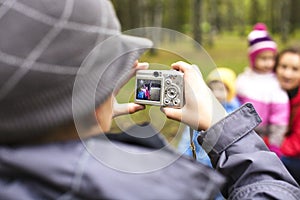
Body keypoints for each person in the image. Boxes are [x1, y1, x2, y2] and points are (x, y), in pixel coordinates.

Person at [0, 1, 299, 200]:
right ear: (97, 100)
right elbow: (276, 192)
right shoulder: (167, 192)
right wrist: (224, 128)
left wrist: (86, 119)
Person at [236, 23, 290, 156]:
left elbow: (279, 117)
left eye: (272, 58)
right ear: (253, 59)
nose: (269, 63)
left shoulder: (275, 84)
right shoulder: (244, 79)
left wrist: (274, 144)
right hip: (241, 133)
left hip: (264, 137)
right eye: (263, 58)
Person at [178, 67, 240, 166]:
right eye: (212, 89)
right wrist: (183, 161)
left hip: (222, 167)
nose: (216, 94)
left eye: (221, 89)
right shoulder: (200, 110)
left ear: (230, 91)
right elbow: (187, 140)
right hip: (200, 164)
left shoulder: (235, 113)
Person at [275, 47, 300, 185]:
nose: (287, 74)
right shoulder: (270, 92)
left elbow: (297, 143)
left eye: (295, 69)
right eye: (283, 67)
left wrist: (268, 144)